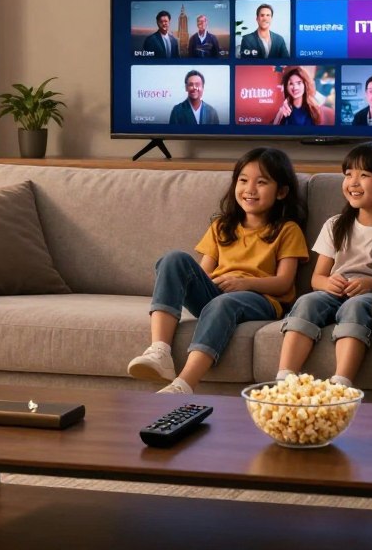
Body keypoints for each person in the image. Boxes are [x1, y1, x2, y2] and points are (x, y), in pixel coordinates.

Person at [127, 147, 308, 394]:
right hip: (219, 294)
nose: (250, 189)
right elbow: (204, 274)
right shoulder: (222, 226)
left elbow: (284, 283)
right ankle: (160, 351)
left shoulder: (287, 230)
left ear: (282, 192)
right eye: (243, 180)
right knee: (173, 259)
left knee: (223, 304)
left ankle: (184, 385)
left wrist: (245, 284)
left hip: (262, 299)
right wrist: (217, 283)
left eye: (262, 182)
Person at [276, 142, 372, 387]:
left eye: (364, 175)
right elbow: (317, 279)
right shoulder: (335, 225)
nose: (353, 182)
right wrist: (328, 282)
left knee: (355, 306)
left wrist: (369, 284)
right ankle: (284, 378)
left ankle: (341, 383)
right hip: (334, 292)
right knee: (306, 301)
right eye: (348, 174)